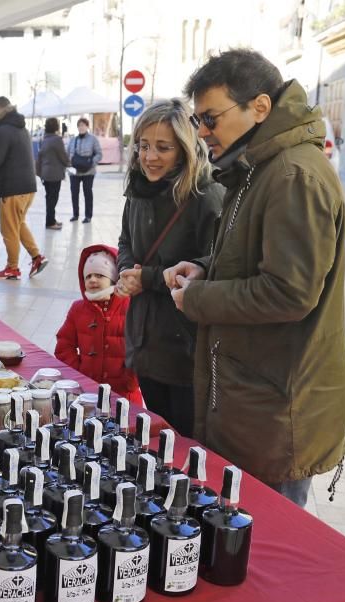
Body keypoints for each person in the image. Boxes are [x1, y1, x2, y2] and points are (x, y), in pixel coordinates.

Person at [165, 48, 345, 508]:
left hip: (277, 411)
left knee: (264, 548)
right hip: (252, 401)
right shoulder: (256, 167)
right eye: (197, 121)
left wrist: (199, 299)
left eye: (210, 119)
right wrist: (205, 268)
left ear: (260, 108)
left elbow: (289, 293)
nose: (202, 133)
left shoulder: (292, 175)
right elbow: (253, 257)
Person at [116, 99, 223, 437]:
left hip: (185, 347)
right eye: (144, 146)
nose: (149, 157)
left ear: (185, 150)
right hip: (145, 341)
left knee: (188, 445)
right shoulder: (136, 189)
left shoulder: (206, 195)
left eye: (162, 147)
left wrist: (145, 278)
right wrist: (125, 272)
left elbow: (212, 265)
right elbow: (125, 243)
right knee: (160, 439)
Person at [55, 245, 141, 404]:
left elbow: (140, 347)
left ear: (114, 278)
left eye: (100, 275)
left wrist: (130, 380)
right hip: (86, 395)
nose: (93, 280)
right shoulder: (78, 309)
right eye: (88, 276)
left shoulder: (130, 307)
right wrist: (78, 374)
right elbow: (64, 345)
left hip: (124, 396)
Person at [0, 96, 48, 280]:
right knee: (18, 224)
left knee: (9, 230)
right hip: (28, 187)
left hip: (12, 188)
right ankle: (37, 257)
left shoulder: (4, 130)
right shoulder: (21, 128)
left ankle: (13, 268)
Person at [36, 116, 69, 230]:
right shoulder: (56, 140)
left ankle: (52, 219)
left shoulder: (44, 139)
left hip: (46, 174)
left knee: (49, 197)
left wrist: (39, 173)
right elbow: (63, 156)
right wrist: (69, 163)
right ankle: (50, 222)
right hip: (54, 174)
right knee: (52, 199)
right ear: (56, 126)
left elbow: (39, 157)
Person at [67, 118, 102, 223]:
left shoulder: (93, 139)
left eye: (83, 125)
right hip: (74, 172)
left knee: (87, 193)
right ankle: (75, 214)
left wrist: (92, 162)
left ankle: (88, 216)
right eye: (79, 125)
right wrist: (69, 163)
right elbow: (67, 153)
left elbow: (99, 154)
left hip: (88, 172)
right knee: (74, 193)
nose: (81, 127)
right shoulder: (73, 140)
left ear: (87, 126)